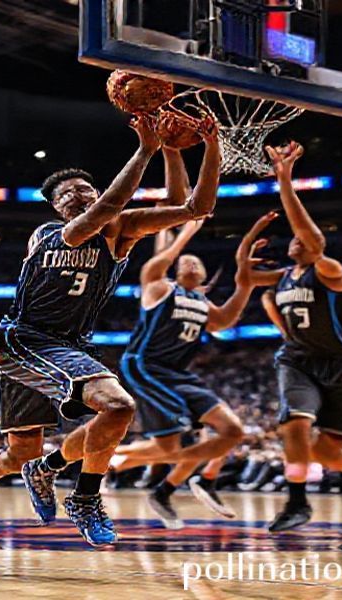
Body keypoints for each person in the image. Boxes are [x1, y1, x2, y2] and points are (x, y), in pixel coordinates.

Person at [0, 116, 220, 555]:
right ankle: (77, 495)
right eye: (66, 193)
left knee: (31, 451)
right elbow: (104, 212)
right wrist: (146, 149)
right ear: (56, 207)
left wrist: (190, 147)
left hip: (67, 346)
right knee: (113, 406)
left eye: (84, 188)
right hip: (24, 341)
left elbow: (192, 206)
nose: (77, 194)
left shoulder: (120, 230)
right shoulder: (51, 233)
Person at [109, 148, 278, 527]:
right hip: (145, 366)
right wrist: (187, 227)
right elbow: (163, 256)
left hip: (180, 376)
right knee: (179, 441)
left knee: (233, 431)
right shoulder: (159, 286)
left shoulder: (202, 304)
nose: (189, 261)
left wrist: (245, 283)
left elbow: (227, 320)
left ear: (202, 276)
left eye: (195, 261)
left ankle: (162, 483)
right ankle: (121, 458)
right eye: (184, 260)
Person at [248, 142, 342, 532]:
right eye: (292, 238)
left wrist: (285, 181)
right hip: (297, 360)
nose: (296, 240)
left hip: (340, 363)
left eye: (303, 237)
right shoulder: (279, 281)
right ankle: (297, 503)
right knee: (296, 426)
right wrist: (245, 250)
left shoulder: (330, 271)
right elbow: (244, 278)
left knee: (326, 451)